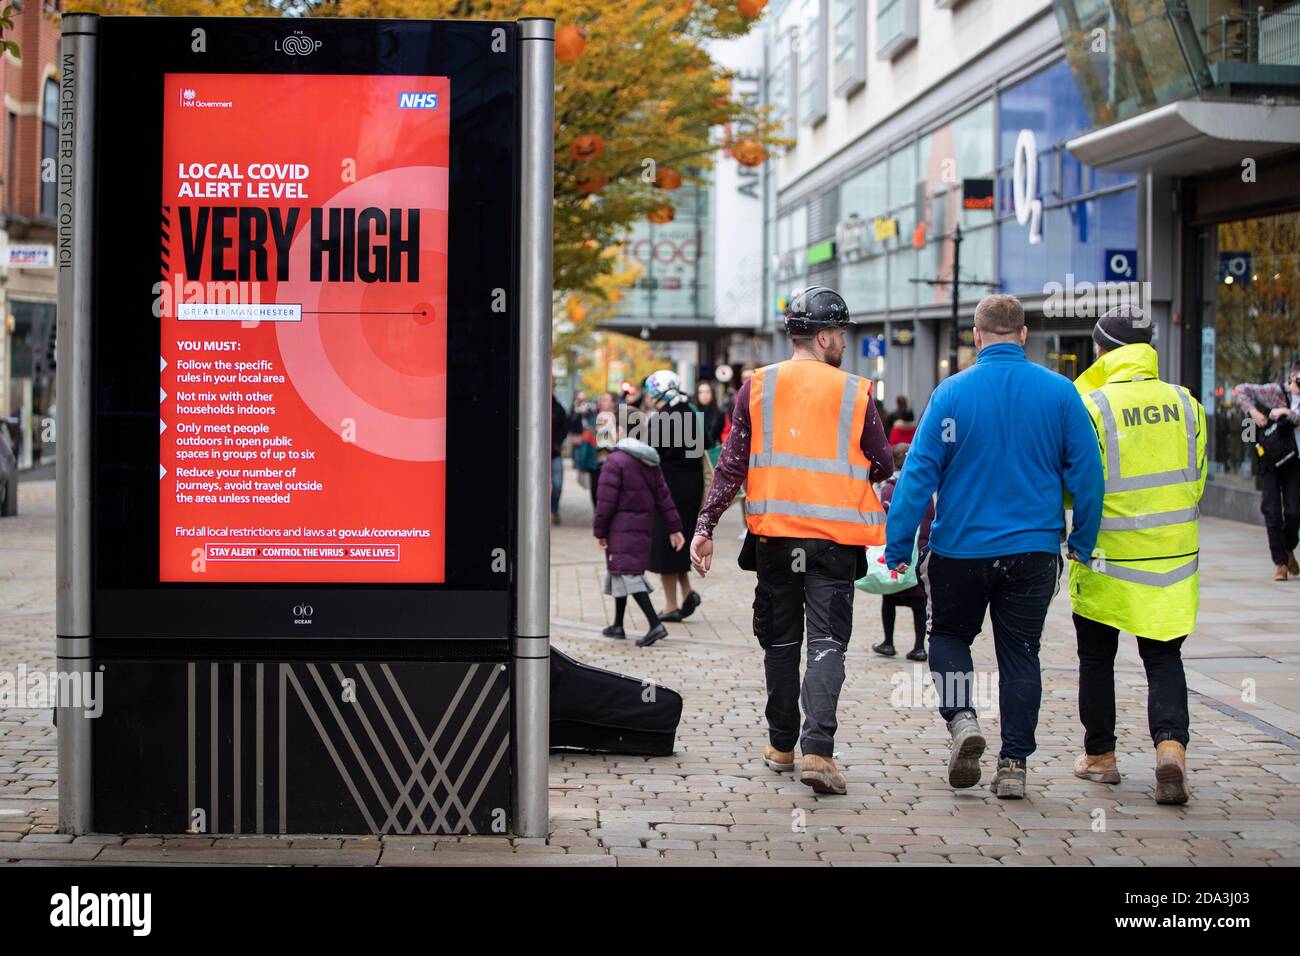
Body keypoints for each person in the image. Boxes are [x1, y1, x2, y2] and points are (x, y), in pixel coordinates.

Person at [884, 293, 1102, 800]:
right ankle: (1013, 765)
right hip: (1033, 550)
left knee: (951, 638)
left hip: (961, 548)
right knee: (1022, 653)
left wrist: (899, 547)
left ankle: (962, 719)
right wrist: (1083, 540)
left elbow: (917, 476)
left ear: (977, 337)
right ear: (1023, 335)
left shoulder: (951, 395)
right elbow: (1088, 474)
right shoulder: (1060, 393)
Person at [690, 286, 893, 795]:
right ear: (823, 336)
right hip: (833, 542)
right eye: (841, 334)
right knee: (827, 642)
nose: (844, 343)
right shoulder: (855, 391)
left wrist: (705, 526)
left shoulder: (755, 388)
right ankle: (818, 752)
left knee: (780, 644)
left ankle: (781, 745)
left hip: (775, 540)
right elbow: (883, 464)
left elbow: (732, 463)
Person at [1069, 305, 1206, 805]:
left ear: (1102, 351)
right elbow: (1199, 480)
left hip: (1108, 554)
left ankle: (1101, 758)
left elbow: (1077, 486)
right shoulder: (1187, 403)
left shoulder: (1095, 406)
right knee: (1164, 656)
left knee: (1096, 658)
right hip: (1171, 557)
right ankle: (1170, 750)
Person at [592, 435, 685, 647]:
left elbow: (605, 501)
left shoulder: (615, 461)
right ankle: (617, 625)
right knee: (621, 570)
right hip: (642, 525)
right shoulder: (649, 459)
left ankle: (655, 625)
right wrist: (674, 527)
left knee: (628, 574)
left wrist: (600, 531)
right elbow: (664, 497)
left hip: (621, 527)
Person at [644, 370, 706, 624]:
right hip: (692, 487)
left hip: (668, 489)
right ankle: (687, 592)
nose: (648, 397)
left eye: (650, 391)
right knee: (681, 541)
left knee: (667, 545)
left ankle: (670, 606)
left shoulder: (663, 419)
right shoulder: (691, 412)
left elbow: (649, 454)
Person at [1232, 360, 1300, 581]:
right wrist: (1253, 412)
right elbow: (1241, 390)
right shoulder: (1276, 392)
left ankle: (1289, 548)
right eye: (1298, 379)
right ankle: (1280, 563)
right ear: (1291, 377)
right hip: (1272, 459)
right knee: (1272, 512)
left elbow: (1296, 417)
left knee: (1293, 512)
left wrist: (1285, 412)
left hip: (1295, 463)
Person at [871, 442, 932, 662]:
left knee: (889, 598)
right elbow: (929, 520)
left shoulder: (889, 488)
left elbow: (884, 519)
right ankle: (919, 646)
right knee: (919, 604)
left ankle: (888, 641)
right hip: (919, 553)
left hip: (899, 552)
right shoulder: (923, 487)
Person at [550, 394, 568, 525]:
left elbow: (565, 427)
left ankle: (553, 510)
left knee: (557, 484)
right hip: (536, 456)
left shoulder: (558, 409)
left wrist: (557, 442)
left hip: (554, 453)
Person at [696, 380, 726, 451]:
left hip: (713, 451)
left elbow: (722, 434)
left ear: (712, 393)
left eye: (707, 392)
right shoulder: (692, 411)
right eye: (701, 392)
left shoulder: (719, 413)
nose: (704, 395)